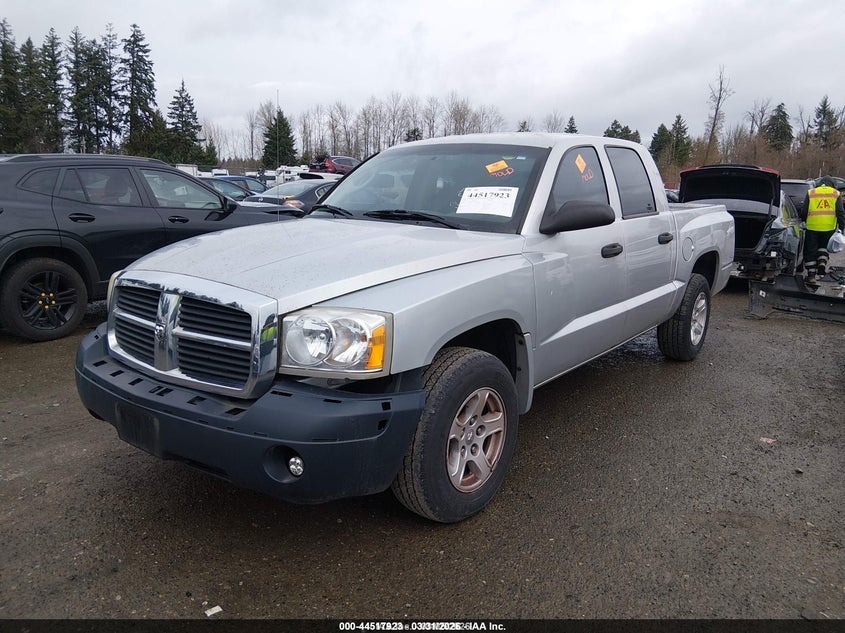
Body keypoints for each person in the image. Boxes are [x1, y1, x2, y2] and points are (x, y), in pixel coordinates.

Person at [800, 176, 845, 285]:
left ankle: (811, 276)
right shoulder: (836, 193)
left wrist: (803, 220)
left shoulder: (811, 192)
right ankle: (822, 263)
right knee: (823, 248)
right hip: (829, 227)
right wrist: (842, 227)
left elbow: (804, 210)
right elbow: (840, 212)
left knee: (810, 251)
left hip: (812, 227)